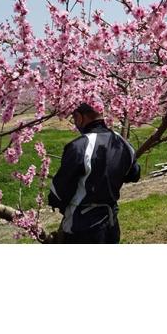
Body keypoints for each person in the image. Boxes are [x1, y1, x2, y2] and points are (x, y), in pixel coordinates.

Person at [48, 103, 141, 243]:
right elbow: (134, 174)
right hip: (111, 225)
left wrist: (57, 203)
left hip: (81, 228)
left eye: (74, 118)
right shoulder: (122, 142)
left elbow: (58, 192)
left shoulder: (80, 146)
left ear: (79, 117)